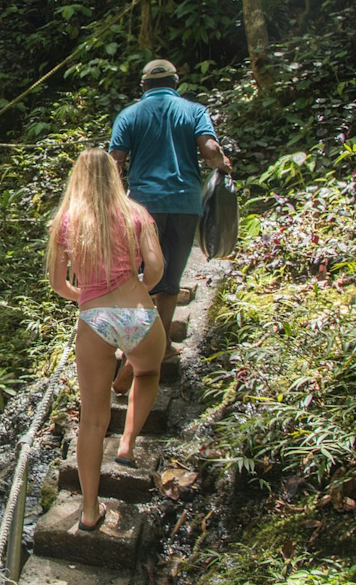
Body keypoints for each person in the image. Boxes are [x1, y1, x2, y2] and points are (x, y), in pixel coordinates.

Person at [46, 148, 167, 532]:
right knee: (147, 372)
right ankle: (129, 443)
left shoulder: (67, 220)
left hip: (94, 318)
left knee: (93, 421)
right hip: (138, 311)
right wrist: (140, 290)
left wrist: (86, 297)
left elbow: (57, 283)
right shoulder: (136, 213)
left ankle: (88, 511)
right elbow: (158, 267)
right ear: (115, 174)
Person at [108, 59, 231, 392]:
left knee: (139, 279)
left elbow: (114, 163)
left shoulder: (129, 115)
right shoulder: (194, 111)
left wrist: (113, 201)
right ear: (176, 82)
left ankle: (133, 346)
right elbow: (209, 150)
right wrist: (224, 164)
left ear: (143, 86)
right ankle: (160, 348)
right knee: (170, 280)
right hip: (184, 203)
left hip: (142, 207)